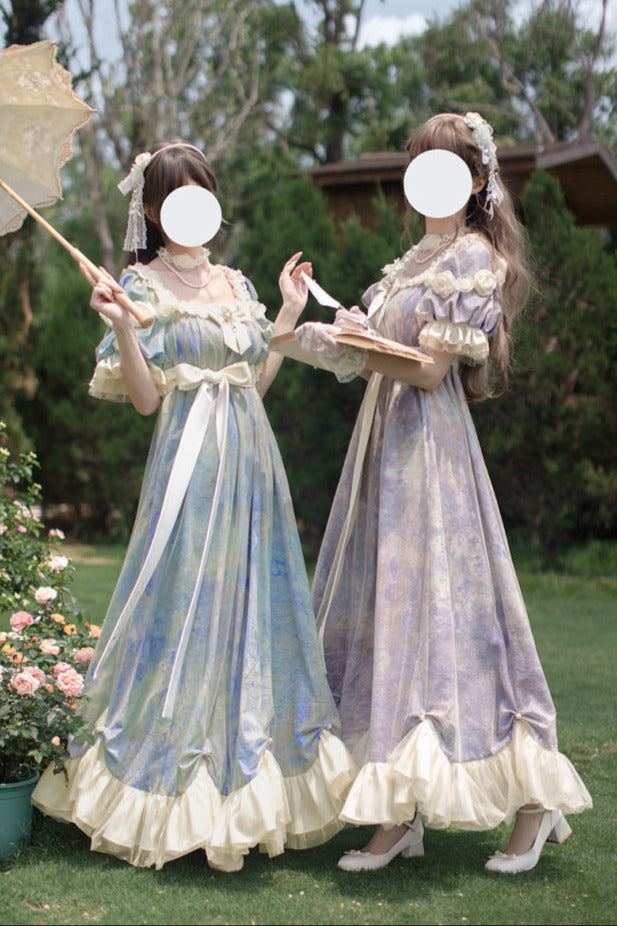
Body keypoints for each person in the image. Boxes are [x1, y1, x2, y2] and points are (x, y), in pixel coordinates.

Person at [32, 141, 357, 872]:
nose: (192, 207)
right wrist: (123, 324)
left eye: (202, 193)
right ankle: (171, 785)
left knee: (254, 610)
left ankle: (251, 783)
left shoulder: (237, 284)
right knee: (181, 608)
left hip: (251, 469)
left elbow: (254, 380)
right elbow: (147, 401)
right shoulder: (138, 285)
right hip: (187, 470)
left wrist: (289, 311)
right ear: (151, 210)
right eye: (176, 196)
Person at [297, 112, 592, 873]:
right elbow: (391, 348)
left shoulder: (471, 258)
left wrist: (360, 353)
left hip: (429, 451)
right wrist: (343, 333)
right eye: (417, 164)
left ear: (475, 179)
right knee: (387, 618)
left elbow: (429, 373)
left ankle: (533, 800)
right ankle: (399, 812)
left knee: (458, 622)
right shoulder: (411, 263)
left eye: (443, 165)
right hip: (383, 449)